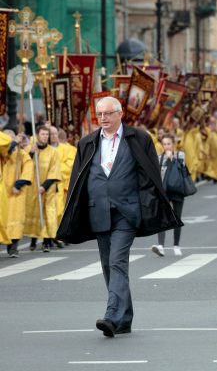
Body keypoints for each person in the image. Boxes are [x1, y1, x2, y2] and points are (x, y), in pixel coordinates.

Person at [57, 96, 182, 338]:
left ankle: (112, 315)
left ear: (120, 114)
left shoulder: (139, 139)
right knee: (108, 265)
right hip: (98, 211)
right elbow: (78, 181)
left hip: (127, 211)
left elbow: (150, 175)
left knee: (117, 261)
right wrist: (74, 211)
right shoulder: (87, 143)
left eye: (108, 113)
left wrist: (149, 205)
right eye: (99, 114)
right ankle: (125, 319)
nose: (102, 118)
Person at [23, 125, 62, 252]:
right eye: (43, 134)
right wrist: (31, 153)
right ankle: (34, 239)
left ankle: (46, 241)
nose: (45, 137)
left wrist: (44, 186)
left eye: (47, 134)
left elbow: (55, 171)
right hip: (33, 187)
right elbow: (24, 165)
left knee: (48, 213)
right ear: (37, 136)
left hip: (48, 188)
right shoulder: (31, 149)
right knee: (35, 212)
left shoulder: (53, 152)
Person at [151, 135, 187, 257]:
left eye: (169, 144)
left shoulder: (180, 155)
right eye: (165, 144)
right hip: (164, 192)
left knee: (177, 217)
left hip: (177, 190)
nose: (167, 146)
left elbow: (183, 169)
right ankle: (161, 246)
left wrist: (172, 159)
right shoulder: (160, 158)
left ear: (173, 144)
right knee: (162, 218)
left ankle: (176, 245)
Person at [0, 129, 33, 257]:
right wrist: (13, 142)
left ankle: (13, 247)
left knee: (16, 219)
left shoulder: (22, 154)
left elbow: (28, 167)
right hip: (3, 190)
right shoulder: (3, 154)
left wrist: (19, 183)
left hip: (15, 192)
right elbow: (6, 151)